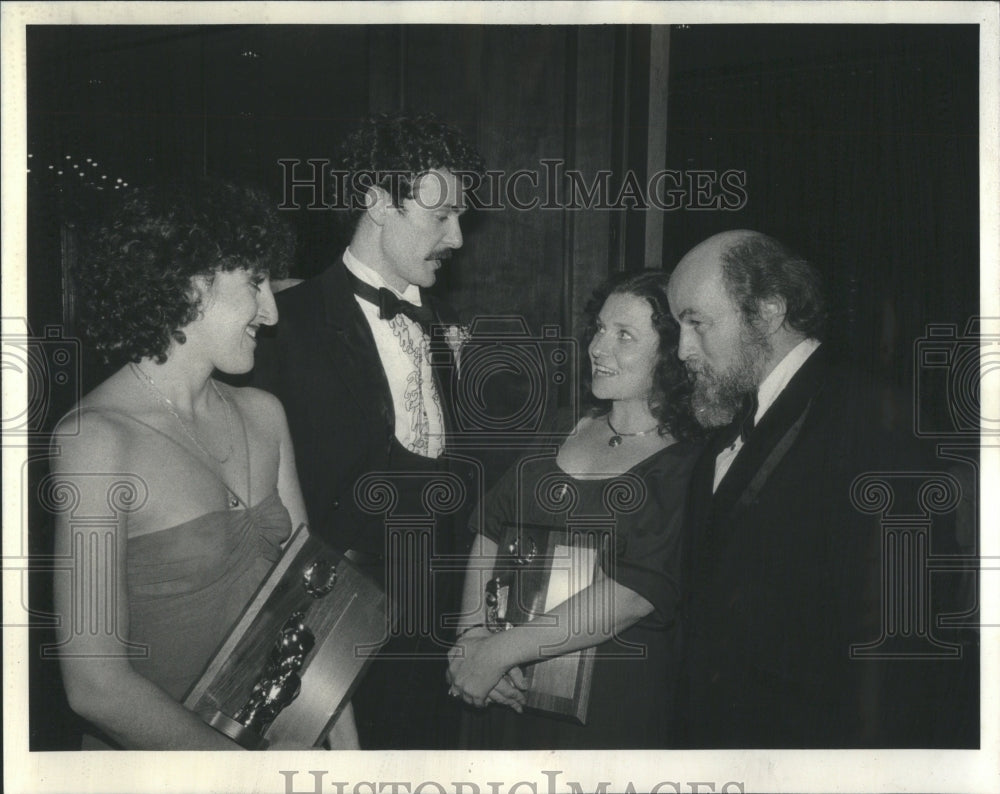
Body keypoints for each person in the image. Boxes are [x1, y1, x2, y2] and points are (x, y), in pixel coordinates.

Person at [49, 181, 357, 749]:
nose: (270, 311)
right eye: (255, 282)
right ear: (192, 286)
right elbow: (95, 687)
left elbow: (313, 607)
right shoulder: (94, 441)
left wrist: (348, 759)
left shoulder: (264, 414)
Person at [667, 229, 976, 747]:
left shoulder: (872, 417)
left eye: (696, 322)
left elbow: (900, 645)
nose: (682, 350)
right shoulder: (732, 421)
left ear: (767, 311)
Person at [251, 113, 486, 749]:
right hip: (335, 632)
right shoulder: (283, 324)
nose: (458, 237)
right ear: (379, 203)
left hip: (435, 631)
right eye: (441, 217)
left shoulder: (440, 324)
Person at [447, 270, 703, 749]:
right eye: (600, 329)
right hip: (504, 691)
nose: (598, 348)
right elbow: (489, 527)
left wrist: (496, 652)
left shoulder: (689, 462)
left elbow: (635, 589)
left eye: (624, 335)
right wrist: (471, 637)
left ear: (670, 353)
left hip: (607, 711)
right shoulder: (563, 427)